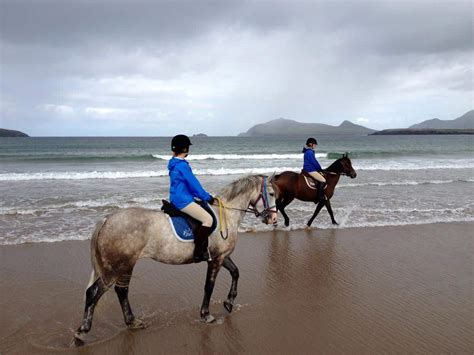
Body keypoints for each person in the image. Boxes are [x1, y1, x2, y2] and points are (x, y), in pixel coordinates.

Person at [168, 134, 215, 263]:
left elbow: (185, 185)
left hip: (177, 197)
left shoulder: (174, 163)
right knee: (208, 219)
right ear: (184, 149)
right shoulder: (182, 165)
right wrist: (208, 197)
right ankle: (199, 252)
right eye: (187, 147)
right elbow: (194, 185)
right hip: (183, 200)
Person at [302, 137, 326, 203]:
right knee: (323, 180)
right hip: (310, 170)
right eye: (314, 144)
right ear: (310, 144)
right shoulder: (309, 152)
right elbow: (314, 162)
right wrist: (319, 169)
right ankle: (319, 197)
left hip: (308, 169)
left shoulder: (308, 151)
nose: (315, 145)